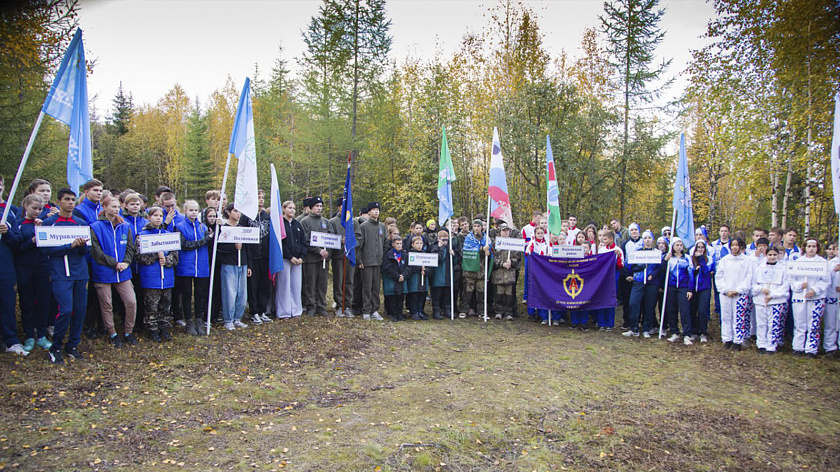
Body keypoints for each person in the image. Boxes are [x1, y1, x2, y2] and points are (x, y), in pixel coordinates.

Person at [41, 188, 90, 363]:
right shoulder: (49, 224)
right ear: (59, 201)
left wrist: (80, 246)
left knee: (80, 309)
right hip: (60, 273)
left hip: (80, 273)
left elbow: (87, 249)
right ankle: (56, 347)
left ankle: (73, 345)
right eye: (67, 199)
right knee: (66, 310)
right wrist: (69, 246)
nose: (70, 203)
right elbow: (46, 249)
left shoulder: (80, 223)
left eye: (73, 200)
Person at [89, 195, 138, 348]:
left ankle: (128, 332)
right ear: (104, 207)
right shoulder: (95, 227)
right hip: (104, 271)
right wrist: (114, 263)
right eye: (113, 206)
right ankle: (112, 333)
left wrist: (126, 262)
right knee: (106, 304)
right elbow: (96, 252)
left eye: (118, 207)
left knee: (131, 301)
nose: (116, 210)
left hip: (123, 271)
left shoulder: (125, 226)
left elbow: (130, 247)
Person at [15, 195, 52, 353]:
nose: (37, 212)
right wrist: (31, 240)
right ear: (25, 207)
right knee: (27, 302)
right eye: (34, 208)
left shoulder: (44, 224)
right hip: (25, 267)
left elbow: (49, 245)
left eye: (40, 209)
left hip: (43, 266)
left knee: (43, 301)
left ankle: (41, 335)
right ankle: (29, 335)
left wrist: (42, 229)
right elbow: (16, 248)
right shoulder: (19, 225)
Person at [135, 207, 179, 341]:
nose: (158, 218)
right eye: (155, 215)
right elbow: (139, 256)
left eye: (161, 215)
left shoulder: (168, 234)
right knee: (152, 305)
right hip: (151, 277)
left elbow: (175, 256)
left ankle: (164, 327)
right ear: (149, 217)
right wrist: (155, 255)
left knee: (166, 303)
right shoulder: (142, 235)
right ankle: (152, 329)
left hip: (167, 277)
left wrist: (166, 260)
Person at [174, 200, 213, 336]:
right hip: (186, 265)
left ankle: (199, 320)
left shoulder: (203, 227)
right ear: (185, 211)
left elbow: (210, 243)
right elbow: (185, 245)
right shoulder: (179, 226)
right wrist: (205, 240)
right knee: (186, 294)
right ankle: (189, 321)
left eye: (196, 210)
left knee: (200, 295)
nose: (193, 213)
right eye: (191, 210)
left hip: (201, 265)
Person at [73, 179, 104, 339]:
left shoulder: (103, 208)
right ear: (86, 192)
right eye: (95, 190)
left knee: (100, 292)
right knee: (90, 293)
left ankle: (101, 323)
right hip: (88, 257)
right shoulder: (80, 211)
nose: (98, 193)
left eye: (100, 190)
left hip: (103, 258)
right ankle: (89, 325)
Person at [788, 239, 829, 358]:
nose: (811, 249)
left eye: (814, 246)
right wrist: (800, 286)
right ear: (805, 247)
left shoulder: (822, 262)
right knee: (800, 324)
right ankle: (798, 347)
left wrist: (814, 290)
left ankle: (811, 349)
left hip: (816, 299)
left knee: (813, 324)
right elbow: (791, 280)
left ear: (817, 248)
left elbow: (826, 281)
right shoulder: (798, 262)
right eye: (809, 246)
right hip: (800, 297)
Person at [217, 204, 252, 330]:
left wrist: (248, 265)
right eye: (235, 211)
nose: (238, 214)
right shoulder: (223, 228)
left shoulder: (242, 228)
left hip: (242, 264)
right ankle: (228, 319)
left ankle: (238, 318)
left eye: (240, 212)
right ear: (228, 212)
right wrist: (233, 247)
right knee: (230, 292)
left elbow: (247, 248)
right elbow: (220, 248)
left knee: (242, 293)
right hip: (229, 264)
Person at [715, 238, 753, 351]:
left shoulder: (747, 260)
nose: (735, 247)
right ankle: (727, 339)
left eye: (737, 245)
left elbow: (749, 276)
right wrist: (725, 290)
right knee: (726, 317)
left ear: (741, 246)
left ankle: (738, 340)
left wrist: (739, 290)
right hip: (726, 294)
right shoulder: (725, 260)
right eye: (733, 245)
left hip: (739, 294)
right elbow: (719, 276)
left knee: (738, 317)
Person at [623, 230, 662, 337]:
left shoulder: (656, 253)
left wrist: (652, 275)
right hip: (638, 281)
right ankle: (634, 328)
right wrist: (632, 273)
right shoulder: (637, 252)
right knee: (633, 303)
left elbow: (659, 268)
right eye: (645, 238)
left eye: (649, 238)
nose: (647, 240)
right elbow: (630, 266)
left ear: (652, 240)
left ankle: (646, 328)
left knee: (649, 306)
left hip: (652, 283)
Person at [751, 246, 788, 354]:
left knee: (773, 324)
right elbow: (753, 283)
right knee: (761, 323)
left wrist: (773, 295)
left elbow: (785, 286)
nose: (772, 257)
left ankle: (771, 345)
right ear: (766, 255)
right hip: (761, 299)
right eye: (770, 255)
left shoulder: (782, 269)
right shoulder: (759, 268)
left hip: (776, 300)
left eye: (774, 255)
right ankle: (761, 344)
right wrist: (760, 289)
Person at [299, 197, 331, 317]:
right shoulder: (305, 222)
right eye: (317, 206)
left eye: (321, 206)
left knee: (322, 283)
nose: (319, 208)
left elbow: (331, 238)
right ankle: (310, 306)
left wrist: (327, 252)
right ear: (311, 207)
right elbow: (305, 240)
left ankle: (321, 306)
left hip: (323, 260)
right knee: (310, 283)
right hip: (311, 259)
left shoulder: (326, 222)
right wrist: (317, 251)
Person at [244, 190, 272, 324]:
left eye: (263, 197)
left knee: (265, 284)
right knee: (253, 285)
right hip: (252, 256)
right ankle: (254, 311)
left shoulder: (267, 216)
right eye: (258, 197)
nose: (261, 200)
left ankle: (262, 310)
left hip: (265, 255)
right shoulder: (247, 216)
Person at [329, 202, 359, 318]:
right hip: (338, 256)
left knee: (349, 281)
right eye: (343, 206)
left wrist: (352, 243)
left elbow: (359, 237)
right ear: (339, 207)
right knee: (339, 280)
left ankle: (347, 306)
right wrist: (339, 241)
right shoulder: (333, 222)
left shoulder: (354, 222)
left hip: (350, 255)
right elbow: (330, 238)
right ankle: (339, 305)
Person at [277, 201, 306, 319]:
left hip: (297, 260)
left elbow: (303, 242)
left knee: (296, 285)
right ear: (284, 209)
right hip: (286, 259)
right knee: (284, 285)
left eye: (294, 208)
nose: (292, 210)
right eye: (289, 208)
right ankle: (284, 312)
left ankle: (296, 310)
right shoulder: (280, 223)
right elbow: (281, 242)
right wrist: (289, 256)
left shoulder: (297, 224)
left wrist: (302, 257)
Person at [357, 202, 386, 321]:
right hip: (367, 262)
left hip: (378, 261)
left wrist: (383, 257)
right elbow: (359, 245)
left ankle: (375, 310)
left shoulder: (382, 226)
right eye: (374, 210)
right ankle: (366, 310)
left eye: (378, 210)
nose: (376, 212)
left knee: (376, 287)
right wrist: (359, 260)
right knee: (367, 287)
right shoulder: (363, 226)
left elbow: (385, 243)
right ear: (368, 212)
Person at [458, 219, 490, 319]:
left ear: (482, 227)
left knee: (481, 293)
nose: (476, 228)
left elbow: (491, 251)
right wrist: (481, 250)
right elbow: (468, 250)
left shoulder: (486, 238)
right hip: (470, 270)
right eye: (475, 226)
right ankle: (464, 310)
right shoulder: (469, 238)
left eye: (478, 226)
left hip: (481, 270)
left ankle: (481, 311)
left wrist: (488, 252)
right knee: (467, 292)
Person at [663, 238, 693, 344]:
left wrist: (690, 289)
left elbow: (691, 274)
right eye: (677, 245)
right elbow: (662, 271)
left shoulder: (687, 258)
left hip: (683, 287)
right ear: (672, 246)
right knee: (671, 309)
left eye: (681, 245)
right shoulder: (669, 258)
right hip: (671, 286)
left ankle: (687, 334)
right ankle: (674, 332)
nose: (679, 247)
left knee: (685, 310)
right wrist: (665, 260)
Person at [595, 229, 624, 330]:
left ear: (611, 239)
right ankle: (601, 323)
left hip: (613, 278)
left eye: (605, 239)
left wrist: (618, 256)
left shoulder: (617, 250)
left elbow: (621, 266)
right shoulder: (602, 250)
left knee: (610, 300)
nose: (603, 241)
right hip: (603, 278)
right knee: (601, 299)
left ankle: (609, 323)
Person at [492, 223, 519, 321]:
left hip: (509, 274)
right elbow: (492, 258)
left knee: (509, 295)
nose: (505, 232)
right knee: (498, 294)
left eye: (507, 230)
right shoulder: (495, 243)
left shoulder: (514, 243)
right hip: (498, 273)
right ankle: (498, 311)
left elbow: (518, 256)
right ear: (500, 231)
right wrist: (501, 263)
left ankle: (508, 312)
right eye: (503, 230)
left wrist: (511, 262)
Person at [688, 240, 714, 343]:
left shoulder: (710, 259)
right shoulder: (690, 259)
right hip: (693, 288)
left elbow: (706, 272)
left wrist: (701, 259)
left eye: (702, 247)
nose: (700, 249)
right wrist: (695, 269)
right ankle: (694, 331)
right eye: (698, 247)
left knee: (703, 310)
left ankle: (703, 332)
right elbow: (690, 272)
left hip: (704, 288)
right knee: (692, 310)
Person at [430, 228, 458, 320]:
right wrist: (441, 248)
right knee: (437, 295)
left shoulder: (450, 247)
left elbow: (455, 262)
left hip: (448, 275)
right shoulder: (434, 247)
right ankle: (436, 311)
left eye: (447, 239)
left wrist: (453, 255)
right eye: (443, 240)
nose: (445, 242)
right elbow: (439, 259)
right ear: (438, 239)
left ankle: (447, 309)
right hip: (438, 275)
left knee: (447, 294)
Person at [382, 236, 409, 321]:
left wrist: (403, 275)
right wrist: (396, 276)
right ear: (393, 244)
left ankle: (399, 313)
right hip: (393, 279)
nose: (399, 245)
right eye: (397, 244)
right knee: (393, 298)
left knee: (401, 298)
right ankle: (393, 314)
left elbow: (408, 267)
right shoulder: (388, 255)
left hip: (402, 279)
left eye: (401, 244)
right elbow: (387, 267)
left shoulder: (405, 255)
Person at [405, 236, 428, 320]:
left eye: (421, 243)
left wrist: (426, 271)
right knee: (414, 296)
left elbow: (430, 265)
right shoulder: (410, 255)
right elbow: (410, 267)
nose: (419, 245)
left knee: (422, 296)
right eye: (417, 243)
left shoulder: (425, 254)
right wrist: (419, 269)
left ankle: (420, 311)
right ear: (412, 244)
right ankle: (413, 312)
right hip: (414, 280)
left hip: (423, 279)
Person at [824, 244, 840, 357]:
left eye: (836, 249)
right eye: (830, 249)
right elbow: (825, 278)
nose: (833, 251)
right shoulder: (827, 263)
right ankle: (830, 346)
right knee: (831, 322)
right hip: (831, 295)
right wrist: (834, 271)